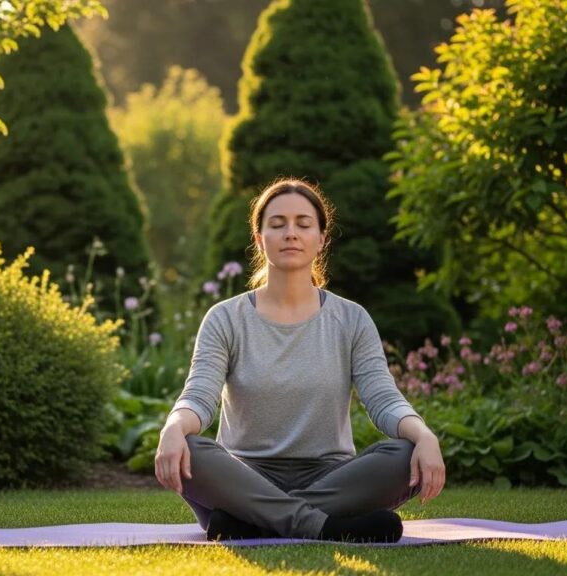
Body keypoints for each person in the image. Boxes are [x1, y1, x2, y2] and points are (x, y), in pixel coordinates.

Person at [154, 178, 446, 543]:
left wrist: (424, 434)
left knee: (405, 453)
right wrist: (173, 427)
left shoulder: (352, 319)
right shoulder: (225, 318)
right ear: (259, 239)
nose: (290, 233)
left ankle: (255, 521)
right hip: (243, 477)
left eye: (303, 224)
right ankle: (325, 526)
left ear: (321, 238)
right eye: (277, 224)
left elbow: (383, 399)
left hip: (330, 478)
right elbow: (199, 397)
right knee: (192, 450)